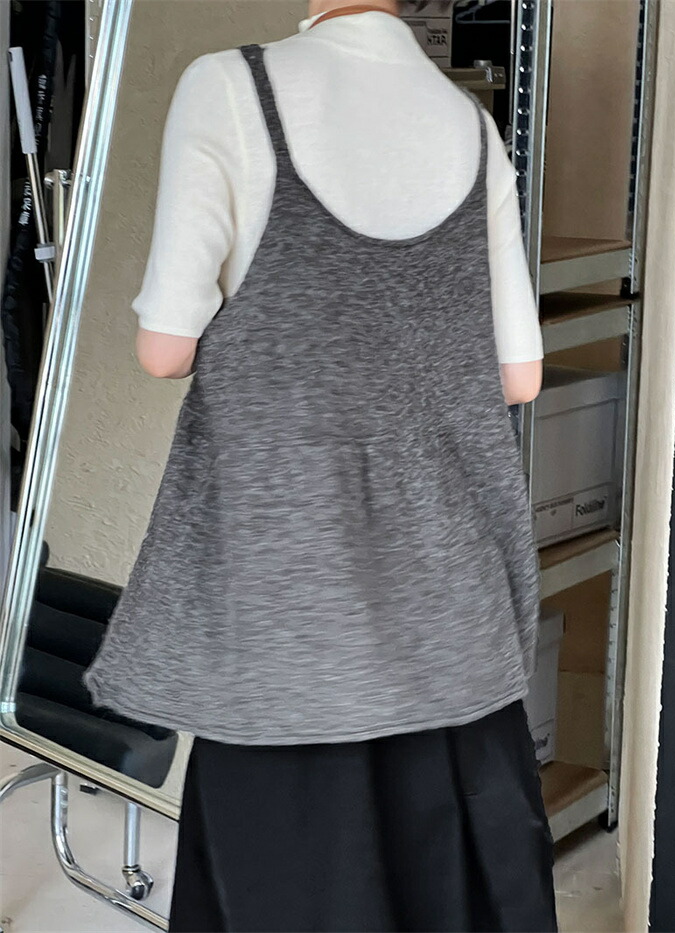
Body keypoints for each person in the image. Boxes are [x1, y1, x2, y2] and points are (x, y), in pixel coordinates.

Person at [84, 2, 558, 931]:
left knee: (294, 892)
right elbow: (521, 374)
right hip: (450, 619)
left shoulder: (231, 87)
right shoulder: (472, 126)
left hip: (291, 627)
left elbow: (164, 349)